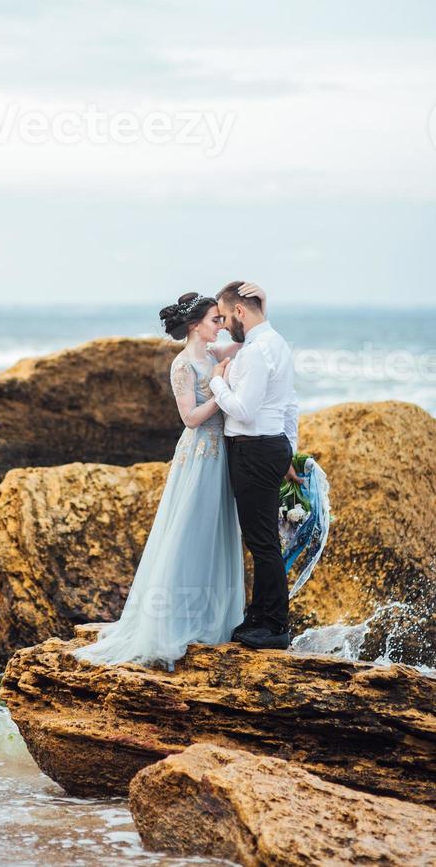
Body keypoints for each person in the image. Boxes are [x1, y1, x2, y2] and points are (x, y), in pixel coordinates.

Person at [72, 284, 265, 672]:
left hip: (220, 454)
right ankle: (173, 622)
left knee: (215, 534)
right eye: (215, 320)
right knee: (188, 533)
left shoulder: (214, 353)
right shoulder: (183, 365)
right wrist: (219, 386)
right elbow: (190, 419)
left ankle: (213, 620)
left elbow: (254, 345)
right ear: (196, 325)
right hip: (198, 457)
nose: (222, 326)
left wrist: (261, 304)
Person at [210, 281, 300, 650]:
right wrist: (288, 451)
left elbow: (243, 411)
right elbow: (291, 404)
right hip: (272, 445)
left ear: (239, 313)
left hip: (253, 449)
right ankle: (261, 616)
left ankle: (275, 625)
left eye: (226, 316)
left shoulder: (253, 353)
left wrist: (217, 384)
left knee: (262, 543)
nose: (224, 325)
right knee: (262, 540)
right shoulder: (276, 342)